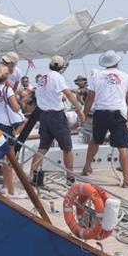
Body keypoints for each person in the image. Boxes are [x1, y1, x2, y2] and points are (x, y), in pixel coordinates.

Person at [81, 50, 128, 188]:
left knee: (95, 139)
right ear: (117, 62)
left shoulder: (97, 76)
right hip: (118, 113)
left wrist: (84, 113)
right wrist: (125, 111)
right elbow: (127, 97)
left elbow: (90, 97)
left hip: (100, 112)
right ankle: (126, 178)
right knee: (122, 146)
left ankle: (87, 167)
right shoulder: (126, 76)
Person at [30, 55, 85, 184]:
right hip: (56, 115)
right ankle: (70, 178)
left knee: (43, 147)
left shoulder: (42, 79)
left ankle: (33, 175)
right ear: (60, 68)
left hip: (43, 115)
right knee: (67, 147)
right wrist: (79, 110)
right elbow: (68, 94)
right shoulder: (58, 77)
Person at [0, 65, 26, 199]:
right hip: (5, 126)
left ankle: (4, 186)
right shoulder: (7, 90)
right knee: (9, 159)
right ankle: (11, 191)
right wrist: (21, 104)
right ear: (6, 77)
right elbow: (15, 108)